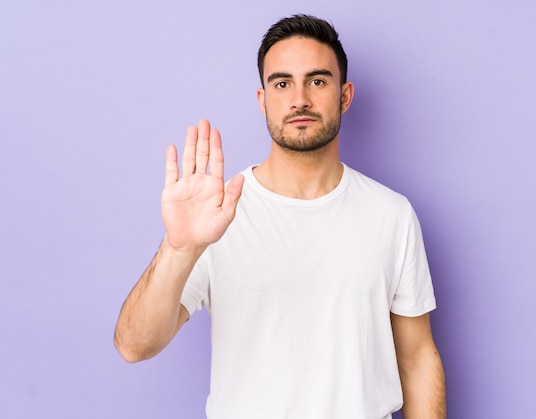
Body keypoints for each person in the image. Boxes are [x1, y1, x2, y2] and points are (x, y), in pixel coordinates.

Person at [114, 14, 446, 419]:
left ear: (344, 96)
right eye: (282, 83)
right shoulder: (217, 216)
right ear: (263, 100)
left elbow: (417, 359)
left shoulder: (391, 215)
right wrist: (179, 248)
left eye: (318, 81)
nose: (300, 99)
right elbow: (134, 345)